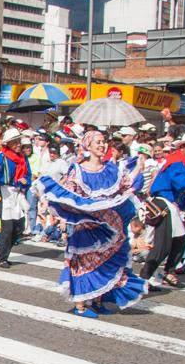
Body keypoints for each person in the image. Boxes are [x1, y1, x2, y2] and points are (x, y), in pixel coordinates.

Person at [35, 130, 147, 317]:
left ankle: (97, 301)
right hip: (87, 224)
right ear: (88, 145)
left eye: (104, 142)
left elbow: (124, 186)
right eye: (98, 142)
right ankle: (80, 306)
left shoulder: (111, 169)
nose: (102, 145)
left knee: (105, 265)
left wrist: (138, 168)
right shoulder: (78, 169)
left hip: (110, 226)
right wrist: (64, 218)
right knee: (84, 264)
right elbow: (68, 194)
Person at [141, 130, 185, 290]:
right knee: (163, 245)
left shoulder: (180, 162)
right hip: (164, 204)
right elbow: (179, 184)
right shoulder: (177, 161)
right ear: (182, 147)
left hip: (169, 203)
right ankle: (144, 278)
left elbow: (177, 189)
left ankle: (168, 273)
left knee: (179, 240)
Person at [0, 128, 30, 269]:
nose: (18, 144)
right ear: (8, 144)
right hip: (5, 193)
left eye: (18, 142)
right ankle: (3, 257)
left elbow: (28, 176)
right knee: (7, 227)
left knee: (19, 226)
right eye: (14, 142)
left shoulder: (23, 159)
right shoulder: (1, 157)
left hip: (17, 193)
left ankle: (2, 251)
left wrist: (25, 181)